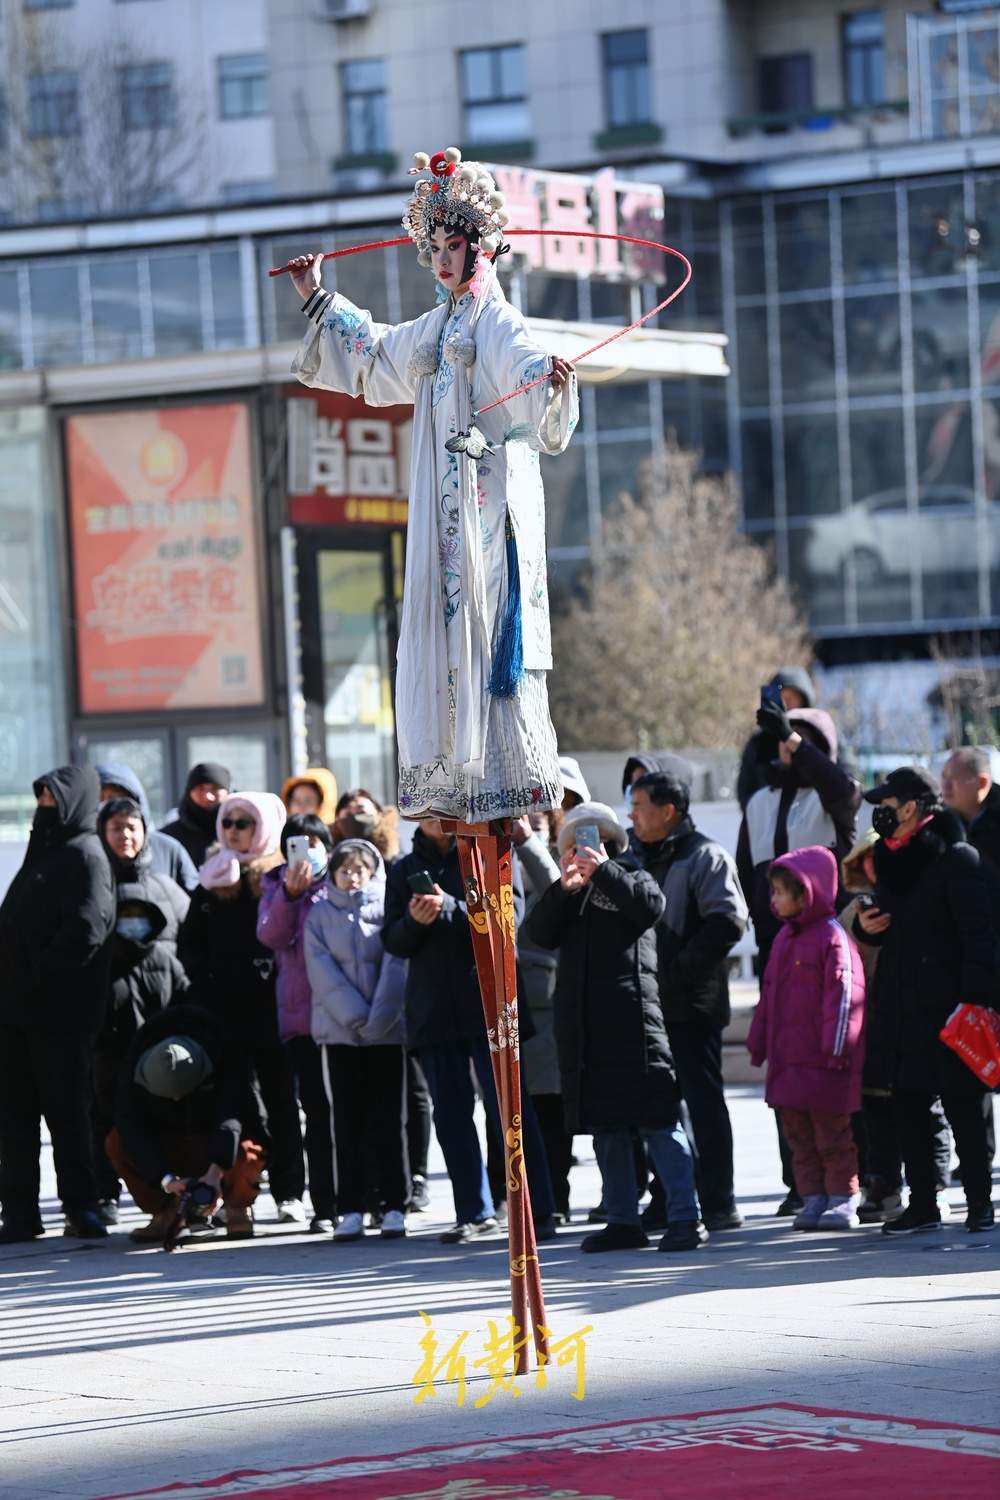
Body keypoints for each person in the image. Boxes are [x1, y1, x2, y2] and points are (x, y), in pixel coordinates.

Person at [288, 144, 578, 824]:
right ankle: (455, 782)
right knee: (444, 632)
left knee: (482, 630)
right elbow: (375, 352)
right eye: (436, 246)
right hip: (439, 521)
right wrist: (319, 298)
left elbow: (527, 369)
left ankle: (503, 784)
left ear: (483, 247)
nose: (444, 258)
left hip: (485, 515)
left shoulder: (495, 321)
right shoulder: (436, 327)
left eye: (456, 244)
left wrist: (551, 381)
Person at [529, 802, 707, 1254]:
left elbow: (649, 907)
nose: (582, 852)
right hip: (586, 1031)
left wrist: (604, 870)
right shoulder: (569, 893)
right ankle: (623, 1220)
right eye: (573, 846)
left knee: (659, 1124)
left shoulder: (632, 875)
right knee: (607, 1132)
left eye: (591, 843)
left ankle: (687, 1216)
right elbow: (539, 933)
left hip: (634, 1026)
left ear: (609, 844)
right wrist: (565, 890)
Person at [382, 815, 558, 1244]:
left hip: (491, 1002)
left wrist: (450, 909)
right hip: (435, 1011)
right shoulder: (404, 870)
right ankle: (473, 1211)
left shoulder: (490, 851)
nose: (435, 820)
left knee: (512, 1114)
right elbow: (392, 940)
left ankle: (537, 1211)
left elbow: (509, 920)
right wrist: (414, 922)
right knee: (451, 1116)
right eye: (425, 814)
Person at [856, 767, 996, 1235]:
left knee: (963, 1107)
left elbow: (980, 936)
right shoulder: (887, 857)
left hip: (950, 1006)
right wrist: (864, 926)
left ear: (913, 807)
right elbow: (886, 923)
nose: (881, 813)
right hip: (900, 1003)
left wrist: (975, 1001)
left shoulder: (958, 858)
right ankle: (923, 1203)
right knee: (909, 1105)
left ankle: (979, 1201)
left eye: (888, 804)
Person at [737, 700, 861, 1214]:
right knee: (788, 1085)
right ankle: (803, 1185)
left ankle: (847, 1185)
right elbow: (750, 872)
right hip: (779, 947)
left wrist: (795, 739)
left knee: (832, 1092)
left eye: (804, 741)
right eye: (785, 739)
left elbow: (839, 786)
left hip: (834, 942)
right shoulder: (761, 799)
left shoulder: (837, 798)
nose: (790, 748)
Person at [178, 792, 309, 1226]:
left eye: (243, 823)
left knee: (280, 1098)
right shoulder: (212, 876)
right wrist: (206, 984)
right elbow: (190, 943)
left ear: (265, 827)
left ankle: (290, 1190)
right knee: (231, 1102)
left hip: (272, 1006)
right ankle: (237, 1193)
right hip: (223, 1010)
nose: (233, 830)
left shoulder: (278, 876)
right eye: (228, 822)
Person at [629, 769, 748, 1232]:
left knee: (703, 1103)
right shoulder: (637, 856)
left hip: (693, 1005)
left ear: (668, 811)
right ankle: (671, 1199)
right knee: (659, 1107)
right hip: (651, 1007)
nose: (632, 817)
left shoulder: (706, 857)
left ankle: (718, 1200)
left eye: (639, 807)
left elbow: (727, 923)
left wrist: (675, 974)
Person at [0, 767, 115, 1242]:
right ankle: (21, 1213)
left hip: (58, 1016)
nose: (44, 802)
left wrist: (38, 975)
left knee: (67, 1117)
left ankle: (81, 1207)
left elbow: (87, 929)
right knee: (15, 1119)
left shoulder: (86, 854)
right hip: (15, 1014)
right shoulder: (44, 850)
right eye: (41, 793)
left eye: (51, 795)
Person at [747, 847, 867, 1231]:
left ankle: (843, 1198)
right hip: (789, 1061)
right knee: (799, 1137)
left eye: (782, 892)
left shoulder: (832, 938)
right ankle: (813, 1197)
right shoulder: (784, 939)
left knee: (832, 1134)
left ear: (808, 892)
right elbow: (769, 996)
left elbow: (845, 995)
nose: (775, 900)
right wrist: (759, 1041)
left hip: (824, 1061)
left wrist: (838, 1047)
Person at [841, 830, 953, 1226]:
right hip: (867, 1025)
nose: (875, 866)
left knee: (926, 1107)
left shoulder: (917, 900)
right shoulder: (854, 911)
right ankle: (883, 1186)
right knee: (875, 1113)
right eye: (866, 859)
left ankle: (935, 1188)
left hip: (913, 1020)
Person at [305, 840, 409, 1241]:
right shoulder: (318, 915)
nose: (352, 877)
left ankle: (394, 1205)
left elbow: (396, 962)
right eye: (344, 870)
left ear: (372, 872)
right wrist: (356, 1016)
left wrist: (379, 1017)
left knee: (389, 1121)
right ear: (332, 874)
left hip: (385, 1034)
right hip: (341, 1036)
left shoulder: (387, 908)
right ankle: (349, 1207)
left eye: (359, 869)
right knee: (346, 1122)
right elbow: (322, 972)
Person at [94, 796, 191, 1222]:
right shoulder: (90, 886)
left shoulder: (167, 889)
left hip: (161, 1021)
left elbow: (190, 946)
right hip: (108, 1026)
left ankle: (176, 1201)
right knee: (106, 1114)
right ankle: (106, 1193)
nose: (125, 836)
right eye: (116, 828)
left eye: (132, 827)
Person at [106, 1004, 263, 1242]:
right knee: (116, 1142)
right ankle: (165, 1213)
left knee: (248, 1149)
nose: (177, 1099)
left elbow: (232, 1118)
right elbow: (131, 1127)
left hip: (213, 1139)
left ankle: (238, 1208)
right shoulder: (133, 1066)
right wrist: (167, 1180)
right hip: (168, 1140)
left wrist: (215, 1172)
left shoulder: (224, 1050)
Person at [257, 813, 337, 1233]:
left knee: (343, 1112)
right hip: (301, 1019)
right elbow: (270, 936)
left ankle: (356, 1198)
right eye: (296, 844)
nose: (305, 852)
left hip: (343, 1017)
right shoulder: (274, 886)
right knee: (314, 1111)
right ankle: (323, 1204)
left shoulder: (341, 881)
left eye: (313, 843)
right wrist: (290, 894)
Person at [513, 811, 572, 1221]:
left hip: (548, 1006)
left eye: (537, 818)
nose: (527, 823)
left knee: (551, 1113)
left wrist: (525, 840)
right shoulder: (503, 859)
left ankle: (556, 1200)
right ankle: (518, 1200)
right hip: (509, 1007)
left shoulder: (553, 862)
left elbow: (556, 891)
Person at [96, 761, 199, 893]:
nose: (106, 806)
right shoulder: (80, 853)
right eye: (100, 799)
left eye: (115, 797)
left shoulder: (167, 850)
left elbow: (195, 904)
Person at [737, 667, 817, 812]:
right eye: (782, 699)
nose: (785, 705)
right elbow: (746, 790)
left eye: (791, 699)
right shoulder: (759, 741)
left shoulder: (821, 735)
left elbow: (840, 780)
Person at [161, 763, 232, 868]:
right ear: (190, 792)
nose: (208, 796)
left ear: (227, 791)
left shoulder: (242, 829)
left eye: (215, 788)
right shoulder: (168, 837)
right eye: (201, 789)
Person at [331, 788, 401, 866]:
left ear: (379, 814)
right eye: (348, 814)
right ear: (337, 820)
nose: (355, 818)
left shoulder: (397, 862)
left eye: (361, 812)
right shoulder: (329, 857)